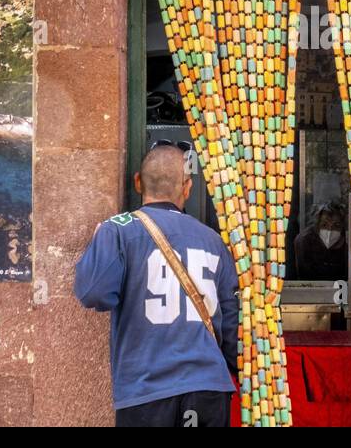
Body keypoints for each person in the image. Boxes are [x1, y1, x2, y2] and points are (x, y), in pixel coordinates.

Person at [74, 141, 239, 427]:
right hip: (207, 390)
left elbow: (93, 293)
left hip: (146, 391)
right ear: (187, 187)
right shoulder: (212, 239)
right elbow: (231, 324)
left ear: (138, 182)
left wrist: (98, 247)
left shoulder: (118, 229)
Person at [293, 200, 348, 281]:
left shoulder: (349, 244)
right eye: (324, 225)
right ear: (317, 226)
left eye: (336, 225)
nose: (330, 230)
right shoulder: (305, 241)